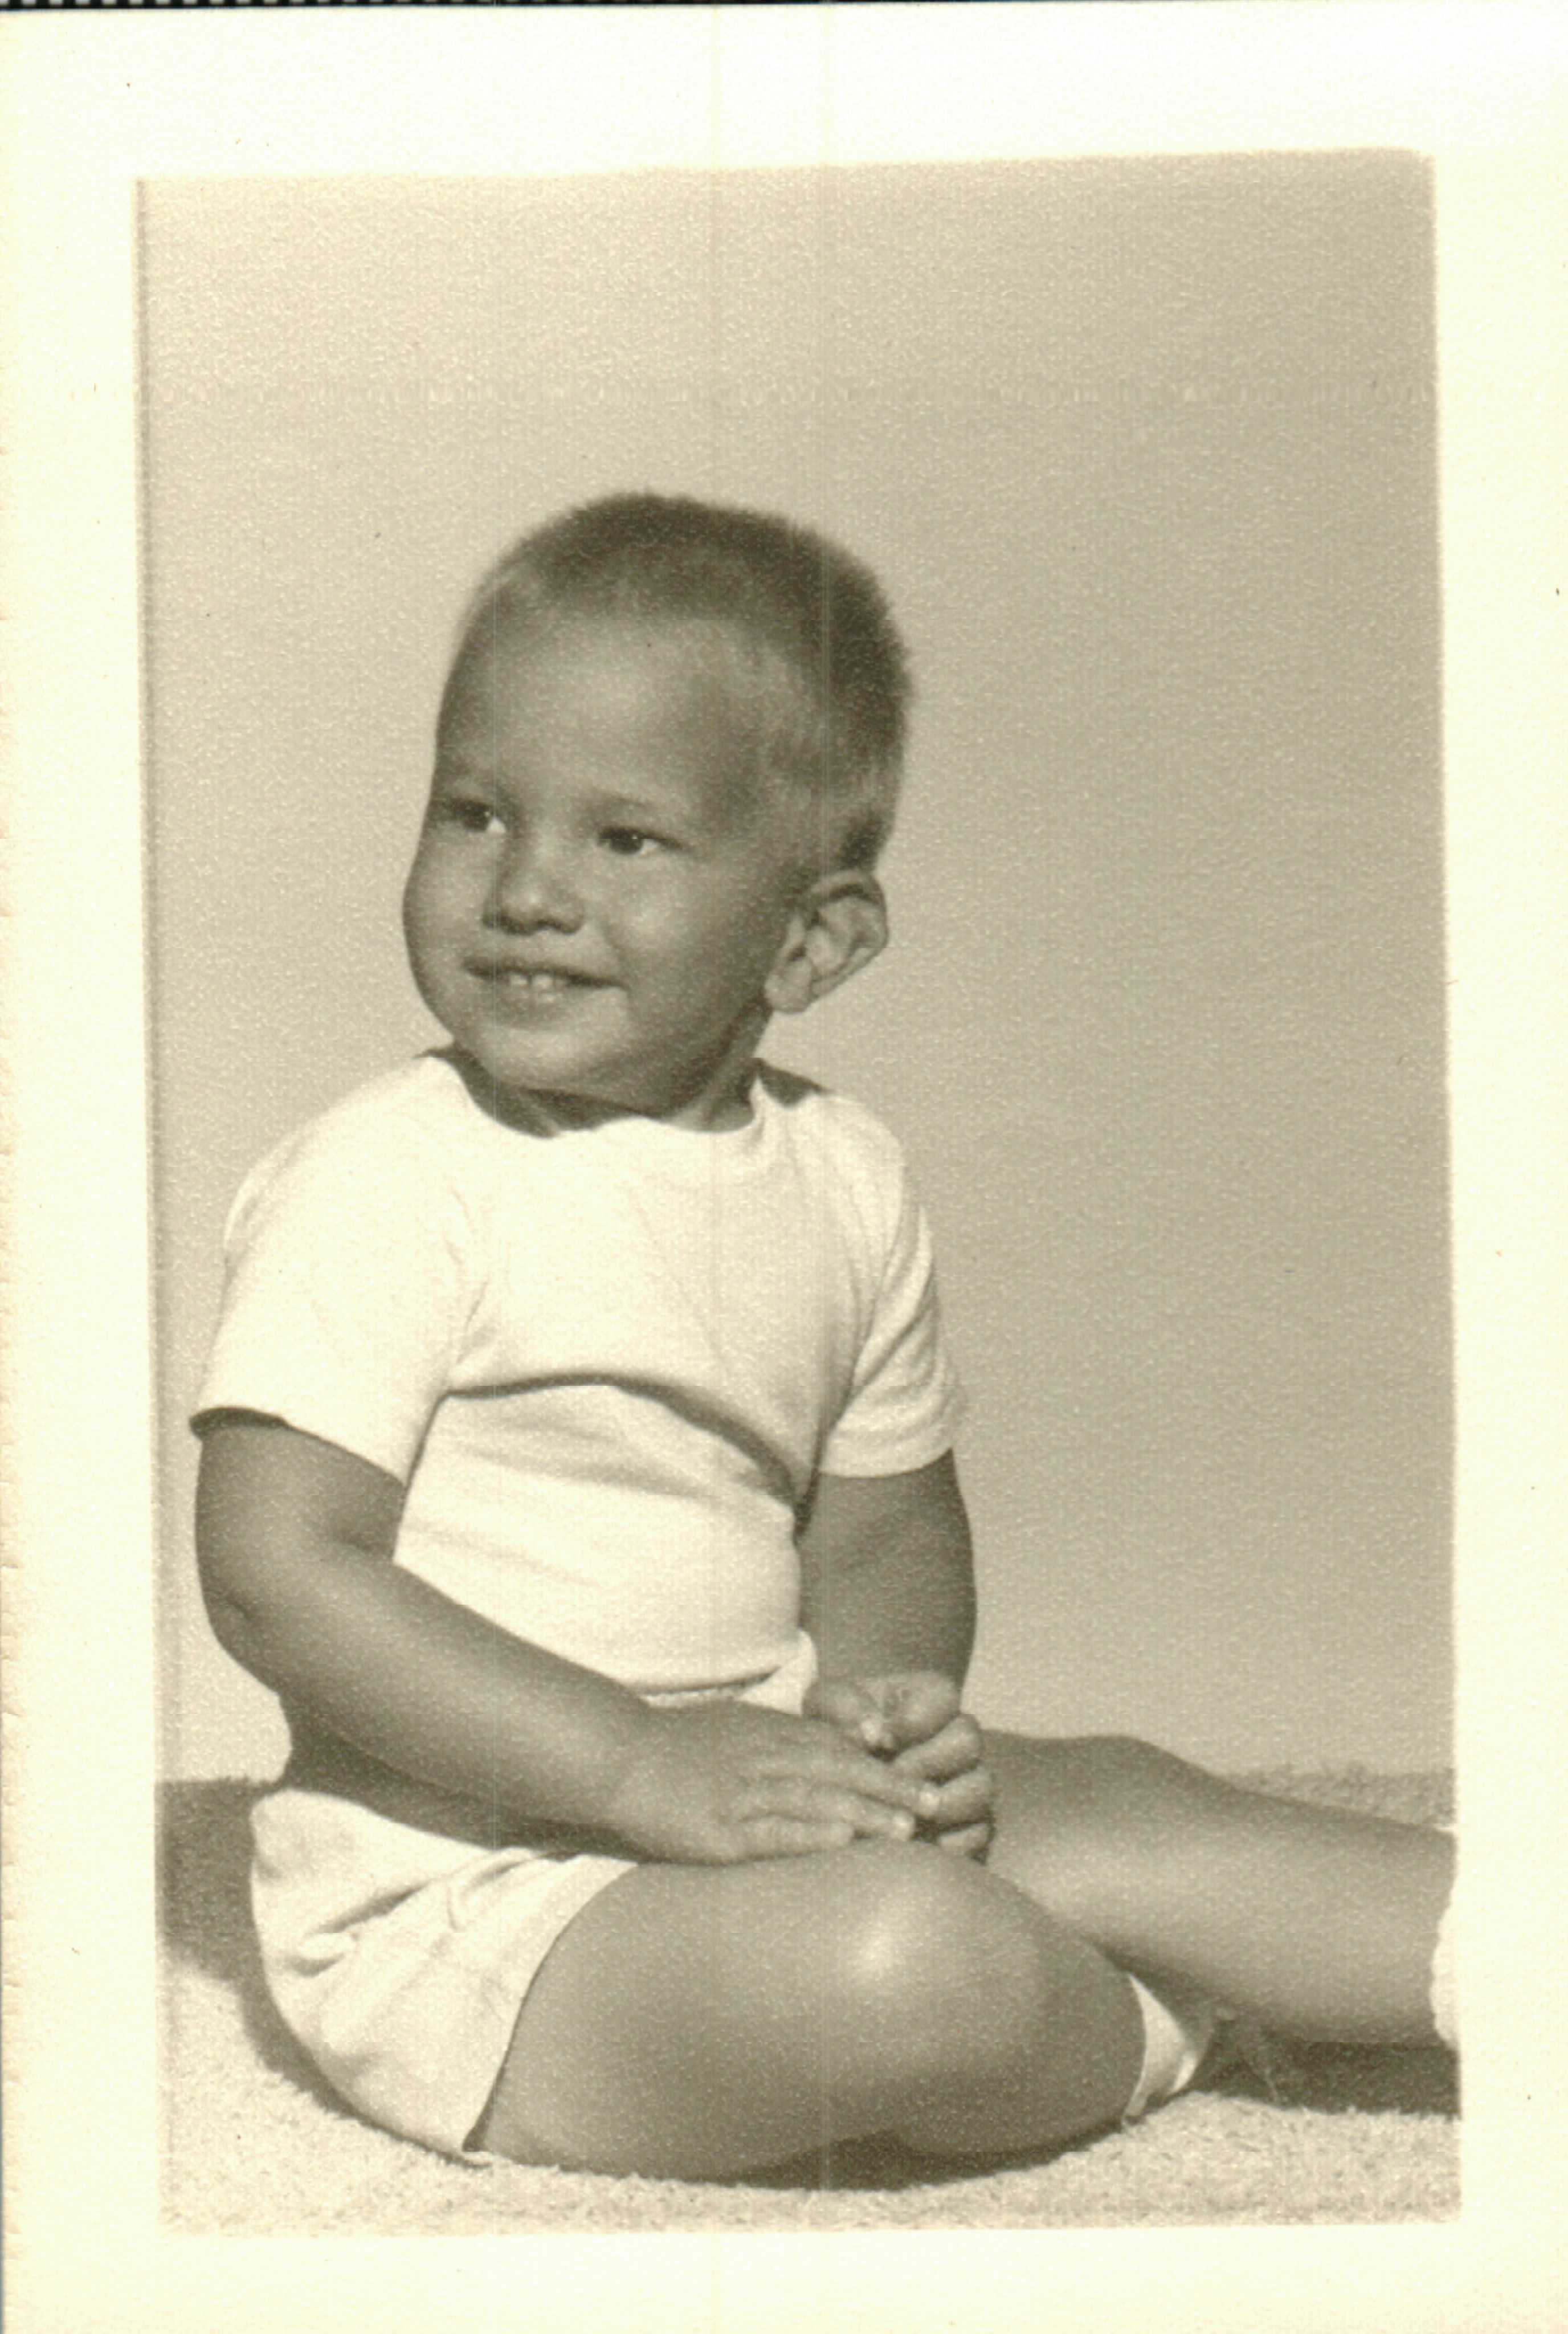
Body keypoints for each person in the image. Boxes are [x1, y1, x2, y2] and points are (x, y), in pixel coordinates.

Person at [193, 492, 1455, 2180]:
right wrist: (638, 1768)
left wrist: (885, 1711)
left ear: (811, 939)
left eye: (626, 840)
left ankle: (1486, 1956)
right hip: (480, 1902)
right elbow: (280, 1574)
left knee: (1132, 1800)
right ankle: (1192, 2019)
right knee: (915, 1962)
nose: (528, 889)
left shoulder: (843, 1178)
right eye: (475, 812)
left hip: (757, 1777)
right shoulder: (389, 1176)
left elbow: (883, 1532)